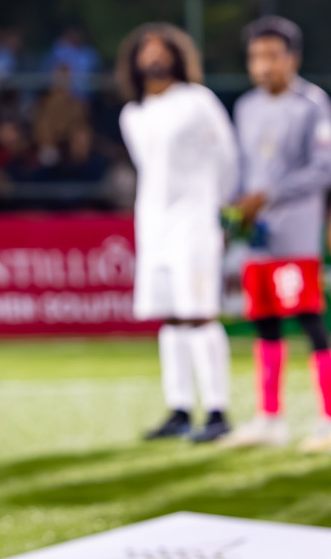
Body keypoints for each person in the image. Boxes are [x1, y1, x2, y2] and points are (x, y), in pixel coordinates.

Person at [116, 23, 236, 443]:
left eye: (161, 50)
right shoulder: (133, 114)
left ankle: (218, 410)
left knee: (199, 313)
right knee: (169, 317)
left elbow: (226, 157)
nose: (153, 57)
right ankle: (180, 407)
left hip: (194, 220)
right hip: (154, 223)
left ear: (177, 55)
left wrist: (220, 211)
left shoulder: (197, 101)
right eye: (145, 50)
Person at [220, 16, 331, 451]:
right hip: (257, 236)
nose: (263, 65)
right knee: (263, 322)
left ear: (292, 59)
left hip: (296, 234)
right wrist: (236, 207)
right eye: (255, 57)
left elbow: (322, 168)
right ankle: (270, 418)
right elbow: (241, 168)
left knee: (309, 320)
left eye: (272, 55)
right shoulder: (246, 107)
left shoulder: (313, 104)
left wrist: (266, 196)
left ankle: (329, 418)